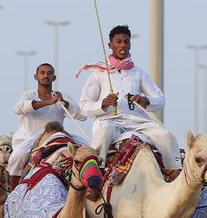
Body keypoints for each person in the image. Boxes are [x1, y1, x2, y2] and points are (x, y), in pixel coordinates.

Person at [77, 25, 181, 180]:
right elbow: (83, 107)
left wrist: (145, 101)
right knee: (104, 133)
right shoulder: (99, 73)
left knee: (165, 135)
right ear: (110, 45)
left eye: (126, 42)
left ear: (130, 44)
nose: (123, 45)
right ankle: (94, 176)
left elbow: (160, 100)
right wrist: (103, 104)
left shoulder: (138, 73)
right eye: (118, 42)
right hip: (108, 121)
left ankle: (175, 174)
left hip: (137, 122)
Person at [8, 62, 87, 188]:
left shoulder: (62, 96)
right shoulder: (28, 95)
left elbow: (82, 116)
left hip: (57, 136)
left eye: (49, 73)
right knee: (18, 155)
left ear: (54, 78)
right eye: (42, 73)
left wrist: (64, 102)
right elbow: (18, 109)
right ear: (36, 76)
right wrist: (48, 102)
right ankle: (12, 191)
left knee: (87, 147)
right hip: (32, 138)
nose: (46, 76)